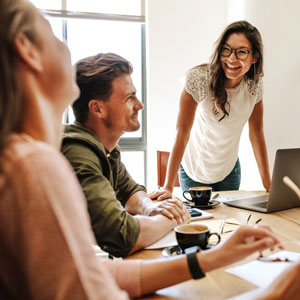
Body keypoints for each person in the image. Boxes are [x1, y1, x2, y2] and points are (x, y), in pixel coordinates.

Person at [0, 1, 298, 299]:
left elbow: (88, 271)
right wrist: (272, 294)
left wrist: (213, 257)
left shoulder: (84, 152)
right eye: (52, 34)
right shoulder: (36, 164)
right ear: (27, 49)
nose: (140, 105)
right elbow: (109, 257)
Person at [61, 53, 189, 258]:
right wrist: (174, 219)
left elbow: (129, 191)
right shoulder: (78, 153)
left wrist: (150, 209)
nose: (140, 105)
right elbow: (121, 236)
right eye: (129, 98)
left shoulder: (105, 148)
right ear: (97, 108)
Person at [150, 21, 271, 202]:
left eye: (242, 52)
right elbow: (182, 132)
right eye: (227, 49)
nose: (232, 58)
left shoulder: (254, 85)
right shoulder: (199, 79)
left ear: (254, 57)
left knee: (229, 223)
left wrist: (268, 184)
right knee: (201, 223)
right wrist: (168, 186)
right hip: (195, 171)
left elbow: (256, 133)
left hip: (229, 170)